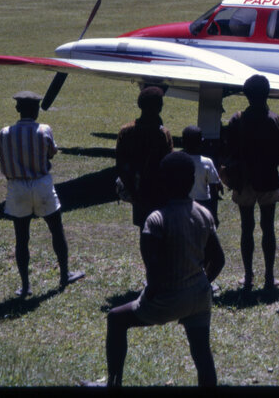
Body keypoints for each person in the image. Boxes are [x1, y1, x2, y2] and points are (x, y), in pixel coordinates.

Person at [102, 152, 225, 387]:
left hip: (167, 297)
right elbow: (218, 259)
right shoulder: (204, 214)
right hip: (199, 296)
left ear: (164, 182)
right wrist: (203, 283)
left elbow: (154, 271)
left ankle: (113, 382)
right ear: (191, 181)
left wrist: (149, 296)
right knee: (202, 354)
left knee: (116, 319)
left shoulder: (157, 219)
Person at [0, 90, 84, 297]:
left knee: (21, 237)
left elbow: (3, 158)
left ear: (17, 109)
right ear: (36, 110)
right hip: (41, 184)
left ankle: (26, 286)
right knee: (56, 228)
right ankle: (64, 274)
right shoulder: (44, 130)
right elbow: (52, 152)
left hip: (17, 187)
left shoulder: (5, 132)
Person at [221, 74, 279, 292]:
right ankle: (269, 276)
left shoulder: (237, 119)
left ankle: (248, 275)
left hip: (244, 182)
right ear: (267, 94)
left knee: (246, 228)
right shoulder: (275, 120)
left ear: (247, 95)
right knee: (268, 229)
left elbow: (229, 152)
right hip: (268, 180)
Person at [116, 86, 174, 229]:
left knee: (144, 229)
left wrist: (132, 191)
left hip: (136, 188)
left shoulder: (126, 131)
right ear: (158, 107)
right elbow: (169, 164)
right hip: (158, 190)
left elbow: (120, 164)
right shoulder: (163, 134)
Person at [182, 125, 223, 228]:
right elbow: (214, 188)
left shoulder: (178, 160)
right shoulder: (207, 162)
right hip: (203, 203)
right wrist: (214, 214)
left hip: (182, 204)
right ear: (201, 142)